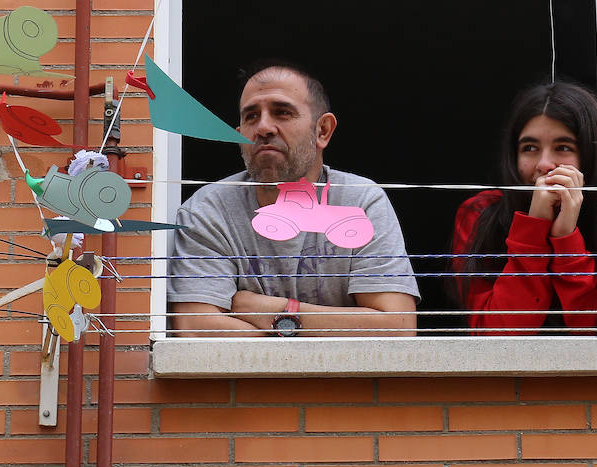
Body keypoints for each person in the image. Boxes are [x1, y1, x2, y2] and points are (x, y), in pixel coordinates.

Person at [168, 61, 418, 337]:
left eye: (282, 112)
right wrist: (326, 329)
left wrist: (275, 312)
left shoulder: (360, 201)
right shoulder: (207, 210)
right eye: (251, 117)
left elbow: (396, 327)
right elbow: (195, 330)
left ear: (322, 131)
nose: (263, 127)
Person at [451, 82, 597, 337]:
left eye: (563, 148)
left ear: (589, 157)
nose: (544, 164)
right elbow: (497, 336)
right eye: (529, 148)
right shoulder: (479, 213)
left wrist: (566, 235)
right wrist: (534, 225)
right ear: (513, 156)